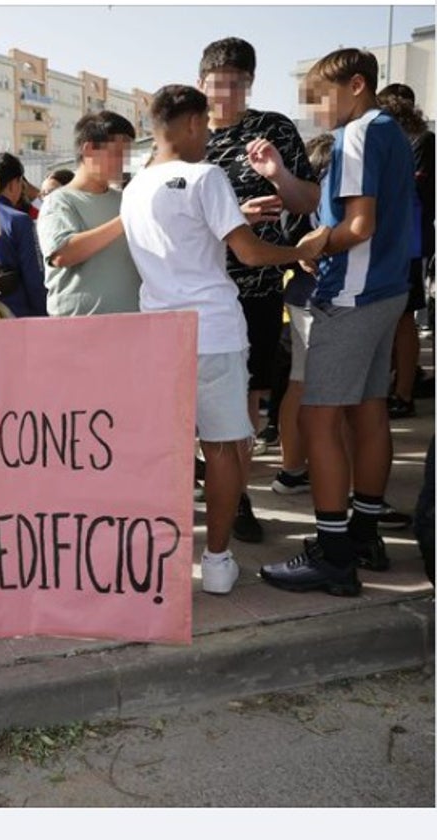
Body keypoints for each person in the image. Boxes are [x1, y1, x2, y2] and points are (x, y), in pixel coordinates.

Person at [120, 85, 328, 596]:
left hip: (158, 333)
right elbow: (252, 254)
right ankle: (216, 562)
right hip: (211, 328)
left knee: (167, 453)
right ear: (193, 123)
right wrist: (302, 249)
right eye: (206, 126)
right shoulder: (205, 176)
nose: (211, 137)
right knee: (225, 447)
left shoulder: (133, 188)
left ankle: (159, 566)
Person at [259, 50, 414, 595]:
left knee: (321, 418)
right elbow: (331, 207)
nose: (315, 108)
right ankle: (363, 533)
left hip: (348, 294)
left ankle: (333, 554)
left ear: (355, 85)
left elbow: (357, 225)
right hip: (388, 290)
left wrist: (315, 243)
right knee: (369, 412)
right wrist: (278, 175)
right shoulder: (390, 130)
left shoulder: (356, 136)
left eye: (319, 95)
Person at [198, 37, 320, 544]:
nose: (224, 95)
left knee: (246, 398)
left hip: (258, 288)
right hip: (199, 288)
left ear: (250, 83)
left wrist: (280, 175)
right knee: (190, 399)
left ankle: (237, 496)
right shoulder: (185, 133)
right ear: (201, 81)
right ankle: (201, 480)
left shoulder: (274, 129)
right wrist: (233, 218)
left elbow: (307, 198)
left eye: (236, 84)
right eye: (216, 84)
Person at [272, 133, 335, 498]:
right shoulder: (326, 193)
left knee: (299, 383)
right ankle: (303, 470)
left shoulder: (294, 191)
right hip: (321, 297)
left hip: (301, 294)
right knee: (326, 391)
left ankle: (291, 469)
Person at [37, 111, 142, 317]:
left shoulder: (125, 200)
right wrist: (124, 221)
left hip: (131, 323)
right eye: (118, 153)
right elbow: (62, 255)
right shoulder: (59, 201)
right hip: (79, 330)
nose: (125, 162)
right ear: (89, 149)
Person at [375, 83, 433, 419]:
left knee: (403, 317)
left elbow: (417, 193)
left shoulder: (422, 142)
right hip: (388, 243)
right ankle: (397, 384)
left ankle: (404, 392)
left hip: (406, 245)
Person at [0, 151, 46, 318]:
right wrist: (43, 313)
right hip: (16, 311)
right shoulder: (19, 220)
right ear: (13, 184)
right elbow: (34, 275)